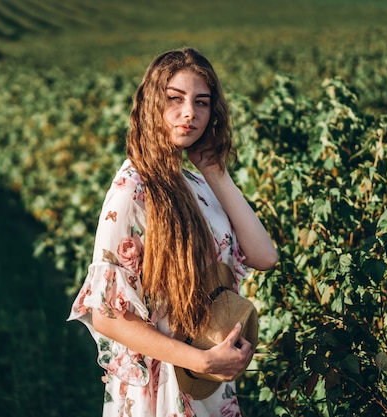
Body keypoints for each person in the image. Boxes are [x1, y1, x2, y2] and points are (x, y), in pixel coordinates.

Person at [68, 47, 278, 417]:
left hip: (207, 378)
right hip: (164, 384)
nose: (189, 114)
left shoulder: (198, 183)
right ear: (152, 104)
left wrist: (215, 170)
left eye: (202, 102)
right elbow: (106, 315)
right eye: (175, 99)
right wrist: (202, 361)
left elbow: (264, 257)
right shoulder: (132, 189)